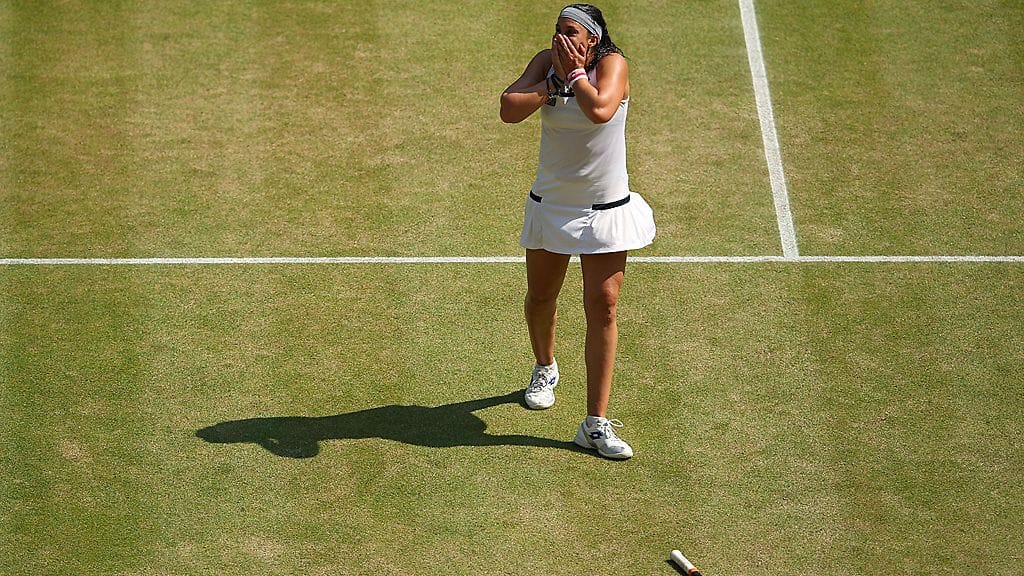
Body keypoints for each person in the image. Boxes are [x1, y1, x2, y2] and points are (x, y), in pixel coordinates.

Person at [499, 4, 655, 459]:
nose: (561, 39)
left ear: (591, 39)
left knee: (604, 306)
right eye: (558, 31)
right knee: (541, 298)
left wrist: (575, 78)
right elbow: (509, 109)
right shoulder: (546, 62)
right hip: (553, 206)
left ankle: (595, 423)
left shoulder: (613, 65)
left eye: (571, 32)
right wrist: (551, 82)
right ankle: (545, 366)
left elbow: (601, 110)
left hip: (605, 209)